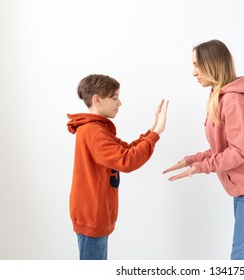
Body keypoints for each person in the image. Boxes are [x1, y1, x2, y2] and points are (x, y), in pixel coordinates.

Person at [163, 40, 244, 260]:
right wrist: (192, 160)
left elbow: (240, 152)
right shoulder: (220, 97)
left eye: (197, 65)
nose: (193, 72)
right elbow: (224, 147)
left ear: (212, 64)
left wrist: (201, 167)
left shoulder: (233, 100)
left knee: (243, 260)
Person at [67, 74, 168, 260]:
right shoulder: (94, 132)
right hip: (92, 216)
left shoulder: (97, 129)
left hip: (95, 214)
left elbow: (125, 149)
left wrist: (152, 130)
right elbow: (127, 160)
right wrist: (156, 133)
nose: (119, 103)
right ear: (97, 100)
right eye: (114, 98)